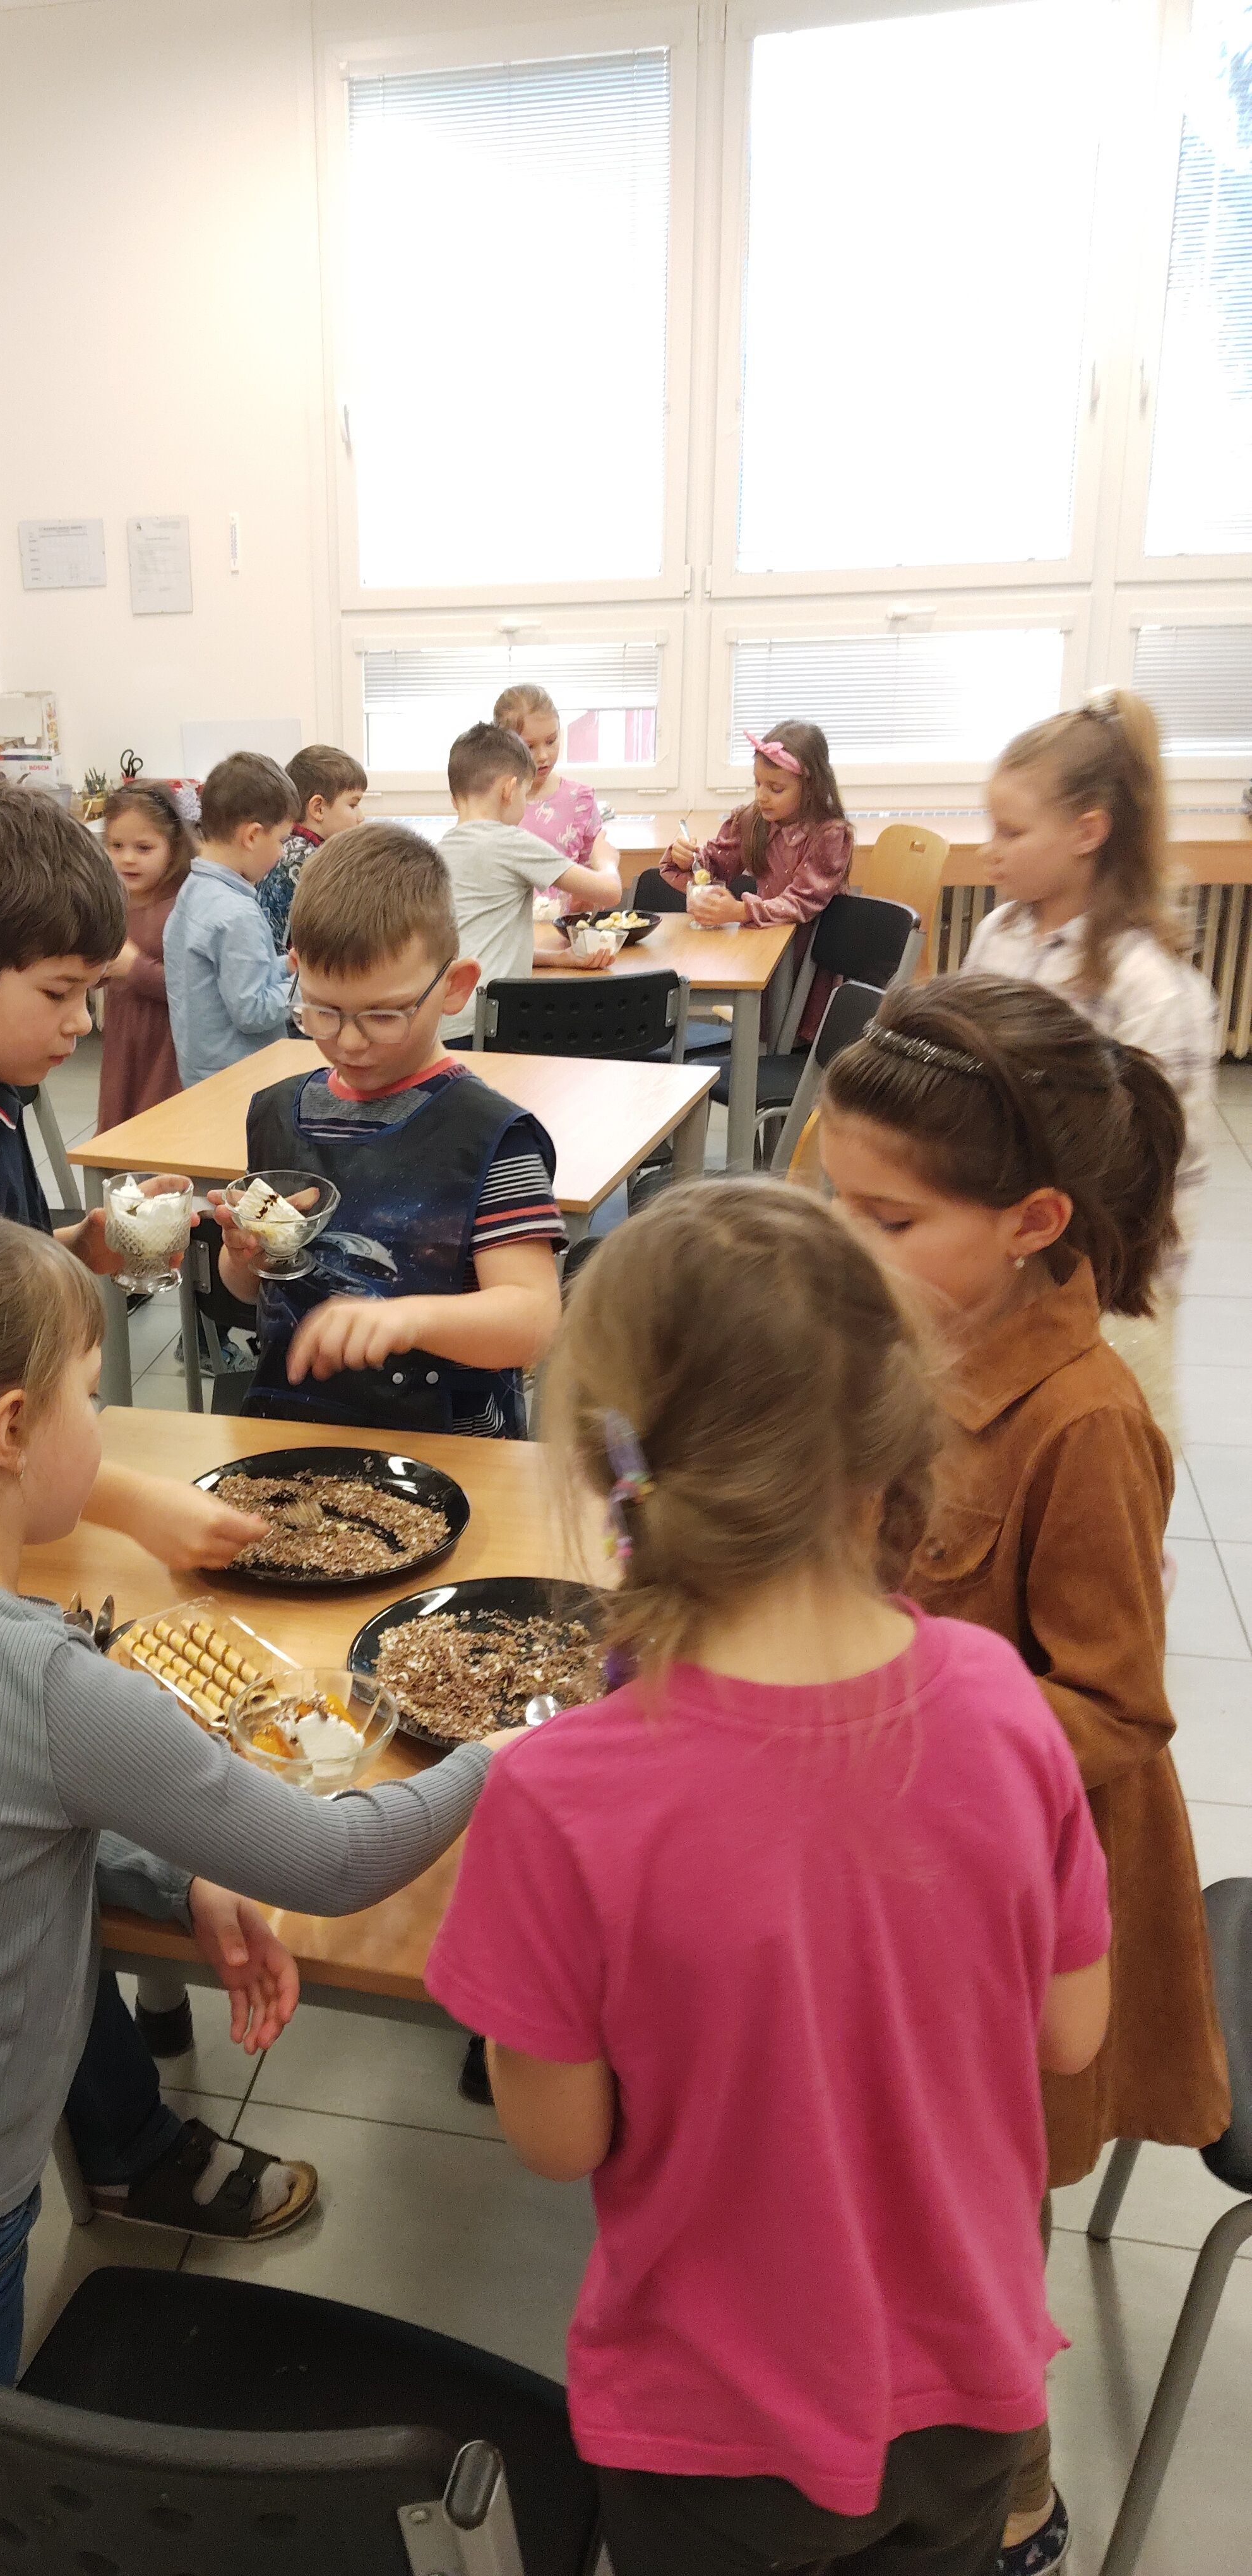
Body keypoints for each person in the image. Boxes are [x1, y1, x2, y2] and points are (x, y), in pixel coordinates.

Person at [0, 1205, 501, 2576]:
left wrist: (179, 1872)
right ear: (11, 1430)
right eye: (92, 1395)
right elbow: (334, 1861)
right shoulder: (50, 1687)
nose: (105, 1425)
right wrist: (496, 1756)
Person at [427, 1181, 1112, 2576]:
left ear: (615, 1464)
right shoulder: (1000, 1696)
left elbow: (560, 2142)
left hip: (717, 2430)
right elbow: (1071, 2032)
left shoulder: (558, 1796)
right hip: (975, 2386)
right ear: (892, 1435)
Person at [0, 780, 305, 2246]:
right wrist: (145, 1503)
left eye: (96, 989)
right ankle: (128, 2145)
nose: (84, 1024)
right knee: (47, 1822)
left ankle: (141, 2019)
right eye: (62, 994)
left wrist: (79, 1241)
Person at [821, 975, 1231, 2576]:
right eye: (835, 1202)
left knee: (976, 2222)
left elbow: (1118, 1706)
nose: (845, 1242)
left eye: (886, 1219)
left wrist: (895, 1715)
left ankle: (1012, 2499)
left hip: (1013, 1897)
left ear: (1032, 1222)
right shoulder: (903, 1334)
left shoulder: (1084, 1419)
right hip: (887, 1860)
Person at [213, 824, 563, 1439]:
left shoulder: (491, 1138)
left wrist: (406, 1321)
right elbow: (247, 1290)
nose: (349, 1041)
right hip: (296, 1440)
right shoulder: (277, 1113)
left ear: (454, 987)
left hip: (449, 1456)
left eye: (383, 1014)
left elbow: (533, 1321)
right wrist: (246, 1257)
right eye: (322, 1010)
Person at [963, 689, 1216, 1442]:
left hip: (1102, 1282)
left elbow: (1151, 1179)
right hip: (1008, 1254)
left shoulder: (1152, 990)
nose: (989, 849)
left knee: (1090, 1457)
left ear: (1087, 832)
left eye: (1012, 831)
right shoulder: (998, 935)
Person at [664, 719, 853, 1041]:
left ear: (811, 786)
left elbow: (801, 902)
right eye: (757, 784)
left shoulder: (830, 835)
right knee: (758, 1034)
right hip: (763, 950)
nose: (762, 796)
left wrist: (741, 911)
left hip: (806, 962)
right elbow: (713, 867)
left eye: (776, 789)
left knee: (787, 1038)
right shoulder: (753, 820)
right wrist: (688, 858)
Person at [438, 722, 623, 1042]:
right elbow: (610, 892)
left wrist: (559, 959)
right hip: (489, 1024)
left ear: (455, 799)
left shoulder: (440, 851)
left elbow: (481, 944)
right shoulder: (512, 843)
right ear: (510, 790)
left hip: (445, 1024)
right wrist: (606, 860)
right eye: (525, 794)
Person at [164, 751, 299, 1083]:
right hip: (242, 1080)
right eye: (281, 840)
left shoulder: (194, 890)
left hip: (202, 1074)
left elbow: (230, 978)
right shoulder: (237, 914)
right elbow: (253, 1011)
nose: (282, 852)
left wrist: (286, 967)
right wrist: (309, 985)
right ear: (252, 836)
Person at [95, 779, 192, 1129]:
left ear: (173, 847)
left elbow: (197, 989)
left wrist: (135, 968)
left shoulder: (185, 905)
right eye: (116, 846)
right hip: (124, 1043)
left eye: (144, 848)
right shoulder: (113, 902)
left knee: (158, 1131)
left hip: (167, 1048)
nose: (128, 858)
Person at [494, 681, 611, 893]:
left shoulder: (580, 801)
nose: (543, 756)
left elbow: (593, 873)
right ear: (503, 746)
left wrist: (585, 898)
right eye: (530, 746)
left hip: (564, 915)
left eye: (551, 741)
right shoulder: (492, 801)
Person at [256, 743, 368, 950]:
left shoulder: (287, 845)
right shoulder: (306, 860)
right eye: (353, 805)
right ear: (318, 808)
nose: (361, 817)